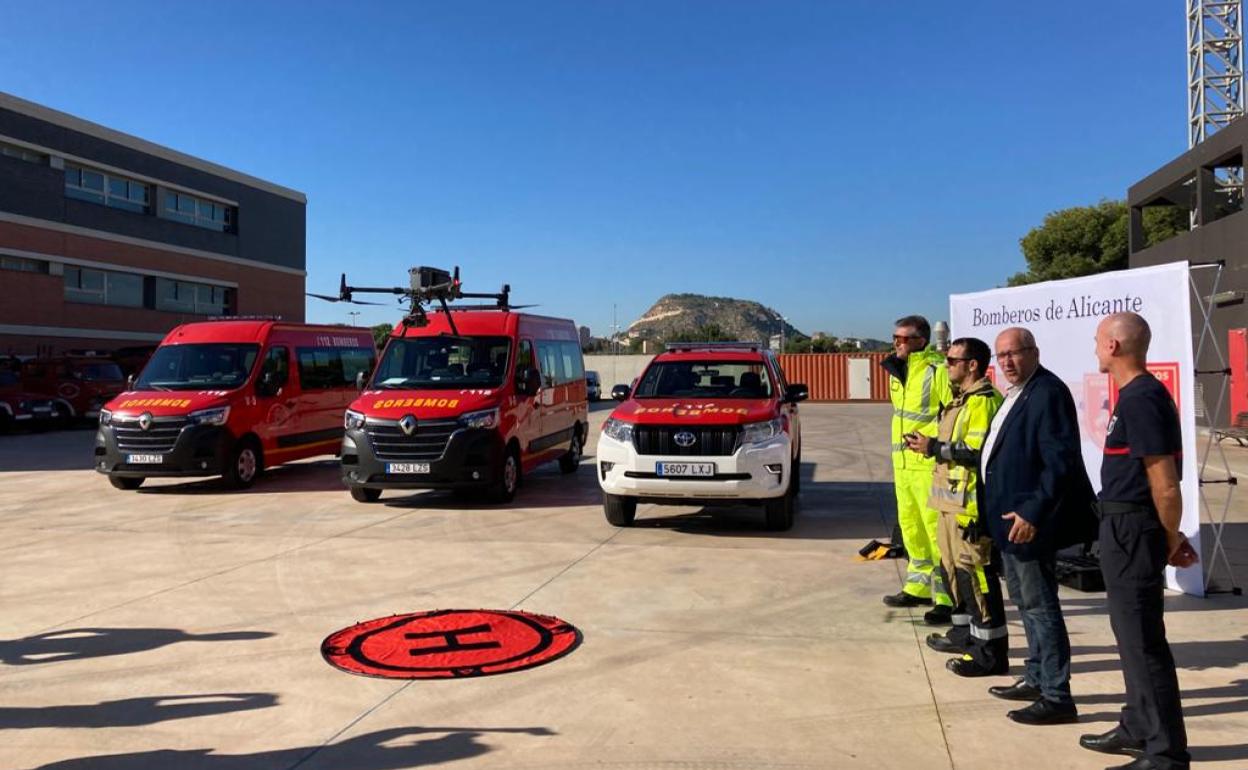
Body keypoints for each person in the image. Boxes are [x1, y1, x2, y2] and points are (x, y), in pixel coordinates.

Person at [1078, 312, 1196, 770]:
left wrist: (1168, 538)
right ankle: (1136, 725)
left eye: (1097, 341)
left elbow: (1165, 484)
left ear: (1113, 346)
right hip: (1122, 530)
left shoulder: (1143, 397)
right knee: (1129, 638)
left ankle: (1165, 752)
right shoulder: (1133, 396)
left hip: (1133, 531)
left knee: (1143, 643)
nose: (1094, 348)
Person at [980, 327, 1095, 725]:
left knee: (1041, 606)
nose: (1008, 362)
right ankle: (1034, 676)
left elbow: (1060, 461)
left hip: (1028, 522)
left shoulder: (1047, 392)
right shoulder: (1016, 393)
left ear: (1034, 352)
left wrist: (1033, 512)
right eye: (1002, 355)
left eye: (1015, 353)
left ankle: (1057, 695)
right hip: (1009, 522)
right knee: (1026, 604)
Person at [904, 337, 1008, 676]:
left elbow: (977, 451)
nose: (947, 365)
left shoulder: (983, 401)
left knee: (976, 576)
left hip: (971, 506)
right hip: (950, 501)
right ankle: (963, 635)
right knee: (953, 572)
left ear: (972, 364)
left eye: (952, 360)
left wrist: (935, 446)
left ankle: (988, 652)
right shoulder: (960, 400)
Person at [880, 315, 954, 622]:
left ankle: (947, 598)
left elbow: (952, 414)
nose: (896, 343)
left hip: (927, 465)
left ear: (920, 341)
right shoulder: (897, 371)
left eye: (903, 339)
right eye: (895, 338)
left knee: (937, 533)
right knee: (911, 529)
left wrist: (936, 447)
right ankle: (918, 588)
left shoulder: (937, 370)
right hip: (903, 466)